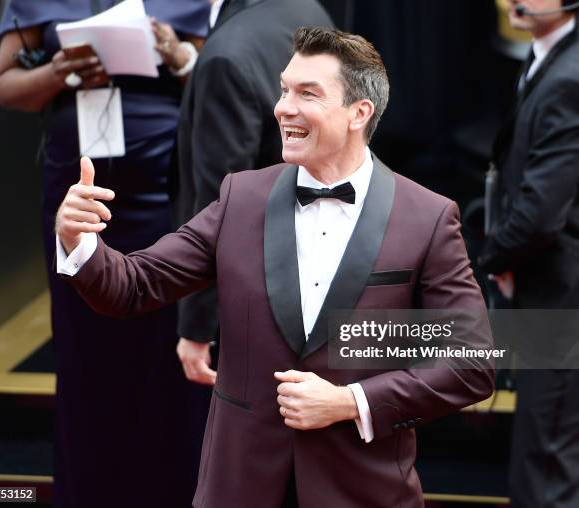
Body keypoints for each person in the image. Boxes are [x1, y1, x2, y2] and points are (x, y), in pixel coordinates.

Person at [56, 27, 494, 507]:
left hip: (360, 490)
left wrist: (349, 402)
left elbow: (469, 365)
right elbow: (134, 286)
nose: (283, 108)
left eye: (307, 94)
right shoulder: (241, 197)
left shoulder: (427, 217)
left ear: (359, 113)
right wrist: (79, 241)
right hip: (240, 487)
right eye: (284, 89)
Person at [0, 1, 210, 506]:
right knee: (84, 344)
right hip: (75, 187)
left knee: (162, 348)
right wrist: (58, 71)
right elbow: (5, 87)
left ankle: (172, 492)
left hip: (165, 188)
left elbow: (219, 83)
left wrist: (177, 56)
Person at [170, 0, 333, 385]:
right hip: (322, 261)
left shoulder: (225, 56)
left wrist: (197, 325)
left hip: (255, 296)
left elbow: (222, 205)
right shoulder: (306, 8)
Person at [479, 1, 579, 506]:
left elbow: (542, 211)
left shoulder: (569, 76)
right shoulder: (549, 57)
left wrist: (490, 259)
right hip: (548, 290)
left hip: (562, 302)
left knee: (547, 469)